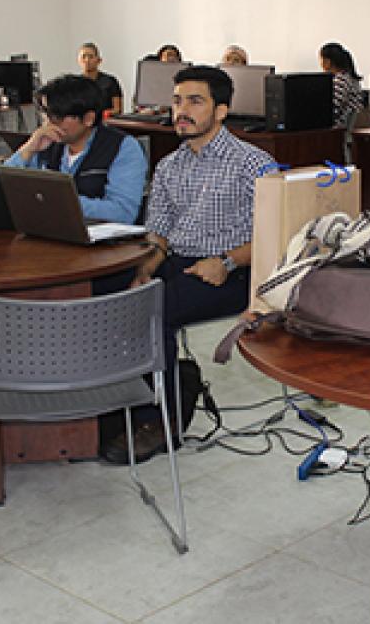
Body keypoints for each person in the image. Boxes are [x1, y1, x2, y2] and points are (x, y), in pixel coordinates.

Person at [99, 65, 274, 464]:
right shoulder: (169, 165)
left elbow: (274, 235)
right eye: (177, 101)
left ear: (221, 110)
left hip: (236, 270)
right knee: (106, 293)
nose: (182, 110)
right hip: (178, 260)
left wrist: (226, 261)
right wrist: (145, 268)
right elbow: (159, 233)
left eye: (195, 101)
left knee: (151, 311)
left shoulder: (252, 163)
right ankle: (134, 399)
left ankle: (162, 420)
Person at [2, 74, 144, 225]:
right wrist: (28, 149)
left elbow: (123, 212)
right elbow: (5, 187)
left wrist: (62, 202)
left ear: (88, 118)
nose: (48, 123)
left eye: (57, 117)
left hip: (97, 234)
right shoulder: (47, 142)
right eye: (46, 114)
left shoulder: (123, 147)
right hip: (49, 228)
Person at [319, 42, 364, 128]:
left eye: (321, 60)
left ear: (328, 62)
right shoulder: (349, 77)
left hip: (340, 130)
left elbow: (332, 110)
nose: (320, 64)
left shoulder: (341, 80)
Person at [77, 42, 124, 117]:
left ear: (99, 60)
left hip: (105, 121)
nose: (87, 60)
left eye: (91, 57)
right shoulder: (75, 84)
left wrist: (104, 114)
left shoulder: (111, 81)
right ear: (79, 60)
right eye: (83, 56)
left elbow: (118, 109)